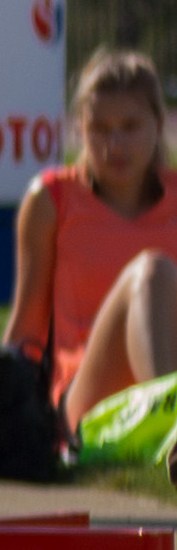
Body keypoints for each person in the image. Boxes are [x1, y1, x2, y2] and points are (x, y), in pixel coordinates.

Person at [11, 50, 177, 440]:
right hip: (87, 401)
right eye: (99, 128)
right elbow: (26, 331)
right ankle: (172, 428)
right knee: (151, 272)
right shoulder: (53, 200)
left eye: (130, 126)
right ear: (80, 129)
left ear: (158, 124)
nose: (114, 143)